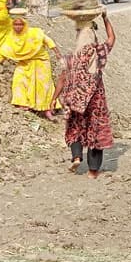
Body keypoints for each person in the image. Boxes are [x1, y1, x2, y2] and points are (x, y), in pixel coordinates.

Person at [51, 13, 116, 179]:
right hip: (95, 100)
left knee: (74, 127)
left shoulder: (72, 58)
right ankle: (93, 170)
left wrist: (53, 99)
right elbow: (111, 39)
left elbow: (62, 79)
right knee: (95, 131)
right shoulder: (98, 52)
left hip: (75, 99)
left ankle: (77, 156)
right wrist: (105, 18)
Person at [0, 13, 62, 119]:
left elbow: (47, 40)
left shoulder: (33, 33)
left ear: (24, 25)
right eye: (15, 24)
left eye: (20, 24)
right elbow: (3, 53)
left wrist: (57, 53)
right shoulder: (11, 38)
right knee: (19, 80)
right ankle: (23, 104)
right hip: (25, 62)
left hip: (41, 61)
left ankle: (47, 109)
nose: (18, 27)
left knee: (43, 85)